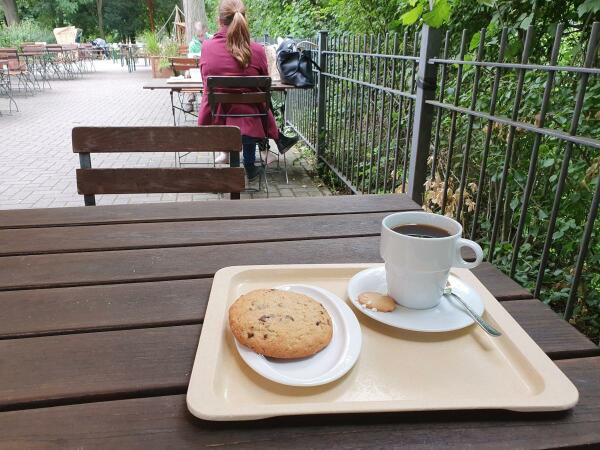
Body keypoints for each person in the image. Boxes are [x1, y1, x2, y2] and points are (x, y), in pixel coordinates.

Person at [197, 0, 299, 180]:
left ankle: (232, 163)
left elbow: (206, 83)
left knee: (235, 108)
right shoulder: (258, 50)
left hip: (218, 118)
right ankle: (251, 164)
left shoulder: (207, 48)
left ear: (219, 20)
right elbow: (263, 86)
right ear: (245, 19)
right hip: (253, 119)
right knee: (249, 108)